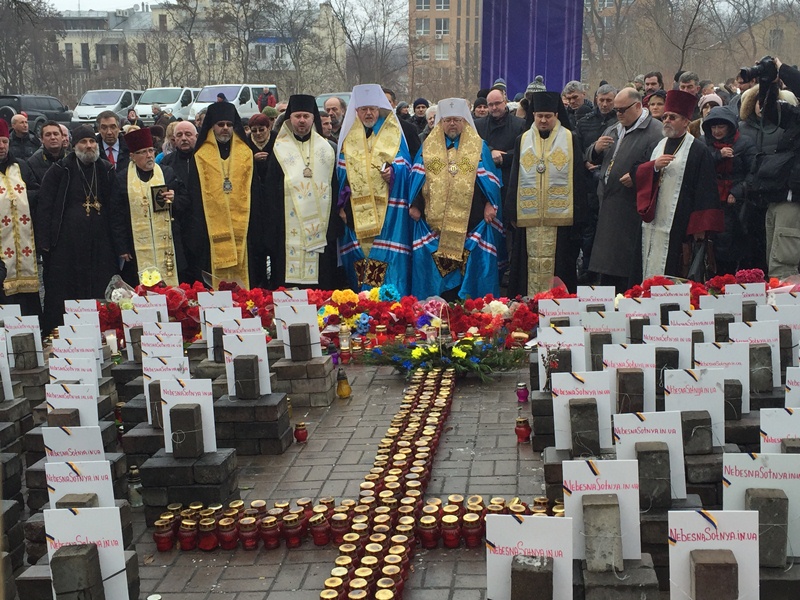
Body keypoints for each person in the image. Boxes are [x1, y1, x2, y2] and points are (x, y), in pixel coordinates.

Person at [408, 98, 504, 299]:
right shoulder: (428, 147)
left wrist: (490, 204)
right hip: (435, 225)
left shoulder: (478, 146)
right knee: (440, 278)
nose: (452, 124)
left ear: (464, 121)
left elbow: (491, 181)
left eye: (456, 120)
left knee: (469, 275)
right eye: (447, 120)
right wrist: (415, 205)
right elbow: (417, 178)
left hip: (472, 221)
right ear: (440, 122)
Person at [37, 126, 119, 331]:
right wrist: (44, 244)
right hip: (67, 248)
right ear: (74, 145)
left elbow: (116, 208)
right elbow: (45, 208)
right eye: (83, 142)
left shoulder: (106, 169)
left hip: (101, 247)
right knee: (67, 292)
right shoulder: (59, 170)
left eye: (92, 141)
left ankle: (104, 331)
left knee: (101, 290)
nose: (89, 146)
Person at [635, 90, 723, 279]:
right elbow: (637, 171)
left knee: (675, 270)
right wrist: (654, 167)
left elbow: (706, 190)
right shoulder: (655, 147)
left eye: (672, 117)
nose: (666, 120)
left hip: (681, 223)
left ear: (685, 121)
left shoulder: (698, 150)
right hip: (653, 221)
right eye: (665, 116)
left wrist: (699, 228)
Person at [505, 91, 587, 296]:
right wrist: (512, 212)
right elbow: (515, 175)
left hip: (560, 221)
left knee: (560, 265)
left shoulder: (570, 139)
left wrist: (578, 214)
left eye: (548, 116)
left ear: (556, 116)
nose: (543, 120)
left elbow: (578, 177)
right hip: (529, 218)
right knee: (526, 267)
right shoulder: (523, 140)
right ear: (533, 115)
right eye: (539, 115)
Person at [337, 83, 413, 294]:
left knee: (387, 262)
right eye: (364, 109)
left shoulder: (394, 133)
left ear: (379, 109)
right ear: (357, 111)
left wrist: (393, 173)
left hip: (389, 213)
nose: (368, 113)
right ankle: (363, 309)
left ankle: (391, 307)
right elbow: (341, 176)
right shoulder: (348, 138)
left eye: (372, 108)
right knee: (361, 262)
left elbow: (407, 165)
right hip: (356, 214)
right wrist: (341, 206)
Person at [263, 94, 344, 289]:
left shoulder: (325, 149)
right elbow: (270, 193)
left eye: (306, 116)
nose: (301, 120)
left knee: (320, 286)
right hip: (287, 229)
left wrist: (332, 227)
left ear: (313, 118)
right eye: (297, 116)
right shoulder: (279, 149)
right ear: (290, 118)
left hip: (320, 231)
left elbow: (333, 188)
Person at [587, 88, 663, 292]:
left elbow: (660, 167)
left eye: (622, 110)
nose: (618, 114)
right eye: (616, 110)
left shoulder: (655, 131)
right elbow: (591, 157)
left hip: (631, 208)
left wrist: (638, 176)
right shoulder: (613, 129)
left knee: (625, 268)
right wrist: (595, 149)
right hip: (608, 204)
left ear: (638, 106)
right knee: (607, 269)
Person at [186, 102, 266, 288]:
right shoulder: (200, 156)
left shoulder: (245, 153)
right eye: (220, 124)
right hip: (209, 234)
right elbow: (195, 197)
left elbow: (255, 192)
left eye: (229, 125)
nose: (225, 128)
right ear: (211, 126)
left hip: (244, 232)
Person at [110, 127, 188, 287]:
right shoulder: (122, 179)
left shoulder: (167, 173)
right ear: (132, 156)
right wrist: (122, 247)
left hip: (167, 243)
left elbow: (185, 201)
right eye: (143, 152)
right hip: (136, 246)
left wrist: (174, 199)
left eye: (151, 150)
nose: (149, 155)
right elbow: (116, 215)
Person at [738, 84, 797, 273]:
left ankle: (784, 302)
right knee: (773, 260)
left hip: (792, 199)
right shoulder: (792, 119)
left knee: (784, 264)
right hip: (774, 198)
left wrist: (783, 70)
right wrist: (768, 83)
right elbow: (770, 110)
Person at [701, 106, 756, 275]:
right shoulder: (703, 144)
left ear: (730, 127)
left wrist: (738, 191)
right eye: (713, 127)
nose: (717, 131)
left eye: (721, 127)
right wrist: (718, 156)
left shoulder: (744, 143)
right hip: (711, 200)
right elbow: (698, 166)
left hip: (737, 203)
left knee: (732, 242)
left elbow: (753, 172)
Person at [576, 83, 618, 283]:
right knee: (589, 233)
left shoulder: (620, 121)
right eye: (601, 100)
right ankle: (588, 273)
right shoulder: (585, 122)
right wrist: (586, 159)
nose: (604, 104)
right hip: (589, 185)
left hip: (612, 184)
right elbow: (577, 149)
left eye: (609, 100)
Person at [0, 118, 41, 316]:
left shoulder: (21, 166)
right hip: (2, 249)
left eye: (4, 141)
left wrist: (20, 197)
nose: (1, 146)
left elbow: (36, 192)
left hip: (25, 244)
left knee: (27, 300)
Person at [475, 88, 526, 218]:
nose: (494, 108)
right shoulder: (478, 126)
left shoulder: (519, 124)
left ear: (505, 102)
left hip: (510, 181)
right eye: (490, 105)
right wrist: (490, 151)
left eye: (497, 103)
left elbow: (524, 151)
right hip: (484, 185)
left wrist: (504, 157)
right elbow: (473, 147)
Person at [27, 120, 67, 185]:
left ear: (62, 137)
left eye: (56, 134)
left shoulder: (72, 159)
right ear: (42, 139)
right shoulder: (32, 163)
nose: (53, 137)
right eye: (48, 135)